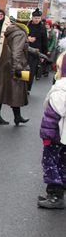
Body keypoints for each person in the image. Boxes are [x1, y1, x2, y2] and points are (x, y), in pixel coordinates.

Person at [38, 53, 66, 209]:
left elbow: (51, 115)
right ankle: (59, 192)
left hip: (57, 135)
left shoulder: (61, 90)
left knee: (51, 162)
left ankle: (54, 194)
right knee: (63, 162)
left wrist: (46, 136)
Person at [0, 22, 31, 125]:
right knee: (15, 91)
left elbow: (19, 47)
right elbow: (16, 51)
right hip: (13, 65)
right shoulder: (21, 33)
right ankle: (17, 117)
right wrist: (16, 68)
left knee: (1, 90)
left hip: (5, 64)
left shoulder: (13, 31)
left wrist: (36, 52)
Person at [28, 8, 48, 89]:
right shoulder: (27, 25)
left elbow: (44, 42)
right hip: (26, 50)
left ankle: (28, 88)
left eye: (38, 18)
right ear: (32, 18)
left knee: (32, 71)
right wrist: (28, 38)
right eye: (35, 18)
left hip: (36, 52)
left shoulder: (43, 28)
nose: (37, 20)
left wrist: (43, 55)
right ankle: (21, 87)